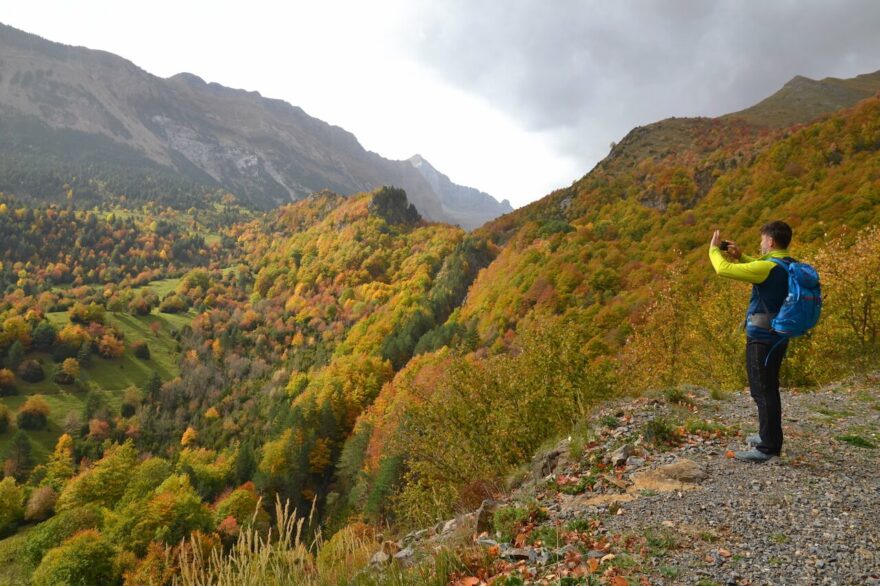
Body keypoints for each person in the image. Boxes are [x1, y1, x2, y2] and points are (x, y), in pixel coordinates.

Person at [708, 221, 794, 462]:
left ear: (771, 242)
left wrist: (714, 250)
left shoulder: (768, 267)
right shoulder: (789, 265)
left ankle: (768, 448)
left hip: (762, 338)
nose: (760, 243)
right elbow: (762, 273)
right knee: (769, 388)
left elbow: (722, 269)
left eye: (762, 240)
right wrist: (742, 256)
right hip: (779, 335)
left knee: (762, 391)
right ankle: (768, 437)